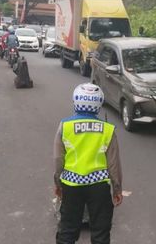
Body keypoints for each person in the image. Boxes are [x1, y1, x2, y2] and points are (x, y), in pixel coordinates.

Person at [54, 83, 123, 244]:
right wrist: (117, 189)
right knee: (101, 232)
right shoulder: (108, 130)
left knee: (68, 230)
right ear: (99, 105)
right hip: (99, 187)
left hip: (71, 184)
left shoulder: (65, 126)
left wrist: (58, 184)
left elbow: (58, 160)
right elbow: (114, 164)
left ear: (76, 102)